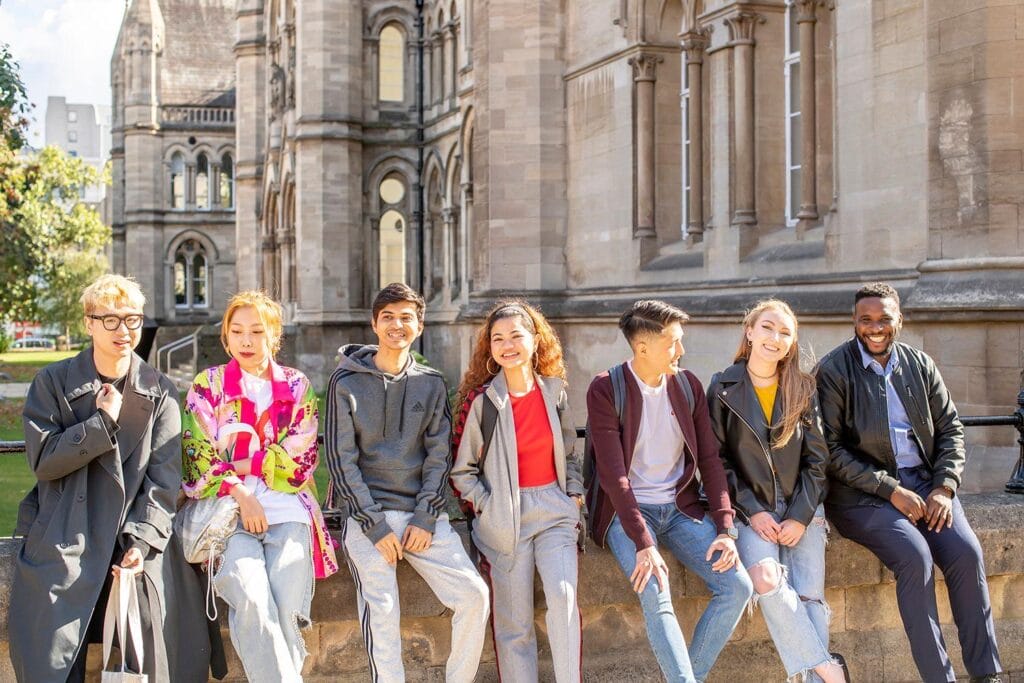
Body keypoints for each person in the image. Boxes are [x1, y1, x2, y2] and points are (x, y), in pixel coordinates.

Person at [9, 274, 217, 682]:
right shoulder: (51, 383)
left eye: (133, 319)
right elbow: (45, 461)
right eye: (111, 320)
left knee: (158, 638)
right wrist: (101, 422)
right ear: (89, 323)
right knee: (48, 658)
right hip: (66, 530)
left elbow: (162, 482)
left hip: (133, 535)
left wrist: (141, 540)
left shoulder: (159, 391)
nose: (125, 331)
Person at [816, 282, 1003, 683]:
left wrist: (945, 486)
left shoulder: (919, 364)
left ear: (899, 319)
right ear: (854, 322)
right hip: (862, 496)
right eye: (866, 320)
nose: (875, 328)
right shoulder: (833, 371)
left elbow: (951, 429)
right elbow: (830, 451)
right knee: (915, 558)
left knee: (966, 554)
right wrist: (889, 489)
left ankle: (988, 674)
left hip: (925, 485)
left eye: (884, 319)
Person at [325, 282, 489, 683]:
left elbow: (439, 456)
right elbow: (341, 461)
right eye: (388, 317)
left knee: (475, 596)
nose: (397, 325)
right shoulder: (344, 383)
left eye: (406, 318)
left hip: (421, 517)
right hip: (368, 518)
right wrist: (374, 526)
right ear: (374, 324)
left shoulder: (431, 383)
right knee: (382, 609)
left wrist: (426, 516)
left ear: (419, 326)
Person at [586, 299, 753, 683]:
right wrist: (644, 543)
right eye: (673, 342)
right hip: (627, 515)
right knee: (657, 595)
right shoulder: (605, 389)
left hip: (680, 509)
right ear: (642, 348)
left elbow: (710, 460)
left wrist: (726, 529)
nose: (682, 350)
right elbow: (614, 477)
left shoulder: (687, 384)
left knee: (737, 587)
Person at [182, 290, 339, 682]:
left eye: (257, 331)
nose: (247, 341)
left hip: (287, 512)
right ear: (226, 336)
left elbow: (300, 461)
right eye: (237, 331)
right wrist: (243, 491)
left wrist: (245, 462)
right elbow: (197, 453)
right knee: (251, 599)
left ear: (274, 335)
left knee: (285, 607)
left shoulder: (297, 387)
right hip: (228, 514)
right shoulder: (209, 385)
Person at [706, 300, 846, 683]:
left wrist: (800, 516)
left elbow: (818, 462)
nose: (775, 338)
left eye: (785, 332)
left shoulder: (803, 388)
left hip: (803, 506)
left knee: (809, 598)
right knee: (765, 577)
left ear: (792, 342)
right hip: (751, 508)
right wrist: (754, 511)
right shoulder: (722, 388)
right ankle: (829, 670)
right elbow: (716, 461)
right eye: (767, 327)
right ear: (749, 331)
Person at [451, 300, 584, 682]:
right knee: (515, 623)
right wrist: (488, 507)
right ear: (489, 348)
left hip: (554, 511)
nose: (507, 345)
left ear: (535, 339)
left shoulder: (554, 392)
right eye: (498, 339)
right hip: (504, 520)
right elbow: (462, 471)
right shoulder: (483, 404)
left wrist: (573, 494)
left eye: (515, 336)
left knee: (563, 598)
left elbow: (572, 455)